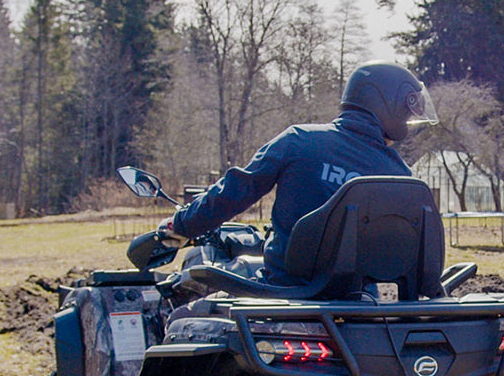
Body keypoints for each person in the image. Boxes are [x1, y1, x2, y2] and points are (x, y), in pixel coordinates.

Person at [160, 61, 437, 283]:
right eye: (405, 112)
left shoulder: (299, 140)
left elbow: (236, 191)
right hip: (360, 304)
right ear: (386, 105)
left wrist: (183, 225)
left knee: (186, 313)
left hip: (284, 290)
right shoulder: (402, 176)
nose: (407, 121)